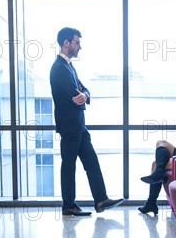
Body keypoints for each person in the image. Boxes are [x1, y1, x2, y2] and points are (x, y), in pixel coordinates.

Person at [50, 27, 123, 216]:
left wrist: (85, 94)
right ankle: (68, 205)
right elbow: (75, 97)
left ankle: (101, 199)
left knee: (91, 161)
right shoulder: (58, 68)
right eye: (76, 42)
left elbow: (84, 90)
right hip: (70, 126)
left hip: (79, 126)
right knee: (69, 165)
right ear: (66, 43)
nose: (79, 47)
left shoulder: (69, 66)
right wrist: (82, 95)